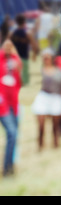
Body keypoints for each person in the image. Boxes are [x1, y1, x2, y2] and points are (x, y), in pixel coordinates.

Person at [31, 48, 61, 150]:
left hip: (56, 98)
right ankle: (40, 145)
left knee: (56, 125)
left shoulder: (59, 71)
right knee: (41, 125)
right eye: (44, 56)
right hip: (43, 97)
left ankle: (55, 145)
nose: (46, 58)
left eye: (48, 56)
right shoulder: (39, 71)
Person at [0, 39, 22, 177]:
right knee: (12, 133)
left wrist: (17, 67)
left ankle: (10, 166)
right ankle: (7, 168)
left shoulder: (15, 60)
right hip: (2, 104)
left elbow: (19, 81)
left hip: (14, 102)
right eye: (5, 46)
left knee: (13, 135)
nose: (8, 48)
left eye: (10, 46)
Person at [10, 13, 39, 86]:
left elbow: (7, 44)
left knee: (15, 75)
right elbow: (34, 45)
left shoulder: (12, 33)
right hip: (24, 56)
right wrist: (34, 55)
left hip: (14, 57)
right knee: (25, 78)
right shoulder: (27, 33)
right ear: (24, 22)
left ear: (16, 22)